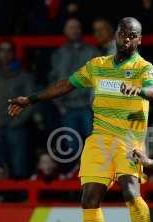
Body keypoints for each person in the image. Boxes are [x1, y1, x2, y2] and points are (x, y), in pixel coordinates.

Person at [8, 17, 153, 222]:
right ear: (116, 35)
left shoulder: (143, 68)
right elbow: (66, 84)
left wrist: (138, 90)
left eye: (133, 36)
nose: (127, 39)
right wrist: (30, 99)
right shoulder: (98, 66)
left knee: (130, 192)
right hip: (99, 139)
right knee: (89, 198)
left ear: (140, 40)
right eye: (123, 34)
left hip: (129, 139)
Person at [49, 17, 99, 168]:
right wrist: (59, 105)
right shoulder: (58, 54)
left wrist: (94, 102)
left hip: (87, 106)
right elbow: (53, 80)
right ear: (65, 31)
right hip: (67, 107)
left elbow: (99, 78)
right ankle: (74, 179)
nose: (74, 30)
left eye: (77, 27)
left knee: (95, 144)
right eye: (71, 27)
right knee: (71, 147)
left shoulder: (92, 51)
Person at [0, 41, 34, 178]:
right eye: (2, 50)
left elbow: (31, 101)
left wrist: (18, 121)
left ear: (13, 54)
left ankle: (20, 197)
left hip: (15, 128)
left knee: (18, 165)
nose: (5, 54)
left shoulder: (24, 76)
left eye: (9, 50)